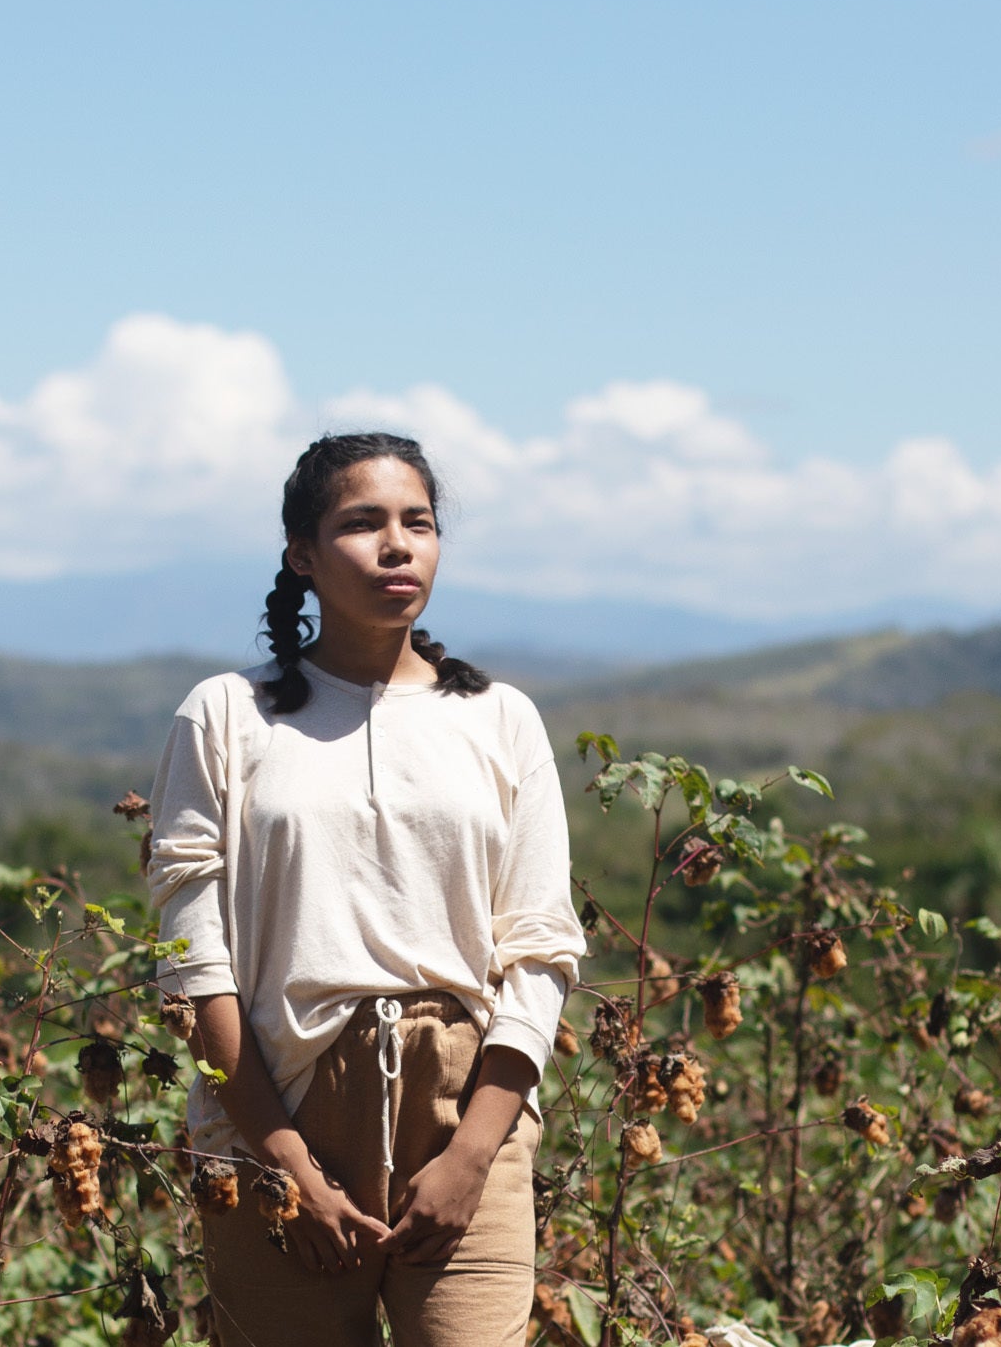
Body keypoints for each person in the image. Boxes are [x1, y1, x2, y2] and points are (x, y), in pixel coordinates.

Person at [143, 432, 587, 1347]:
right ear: (302, 555)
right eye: (362, 524)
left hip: (468, 1111)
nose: (398, 546)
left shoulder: (501, 720)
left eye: (417, 523)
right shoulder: (228, 714)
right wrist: (286, 1165)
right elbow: (192, 967)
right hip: (279, 1102)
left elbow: (541, 952)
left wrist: (472, 1155)